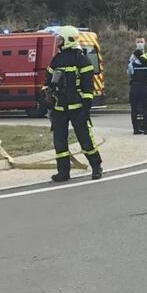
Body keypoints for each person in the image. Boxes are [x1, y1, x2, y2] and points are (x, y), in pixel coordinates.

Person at [43, 25, 102, 182]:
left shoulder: (81, 59)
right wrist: (48, 95)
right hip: (59, 108)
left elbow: (88, 86)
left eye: (60, 39)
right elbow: (47, 81)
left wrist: (86, 107)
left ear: (68, 39)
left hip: (78, 108)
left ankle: (96, 167)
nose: (58, 42)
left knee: (85, 140)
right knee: (60, 142)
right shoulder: (56, 59)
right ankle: (63, 172)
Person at [127, 36, 147, 135]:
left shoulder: (131, 65)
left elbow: (130, 74)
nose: (140, 43)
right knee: (145, 109)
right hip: (144, 87)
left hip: (134, 88)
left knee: (134, 109)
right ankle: (146, 129)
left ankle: (136, 129)